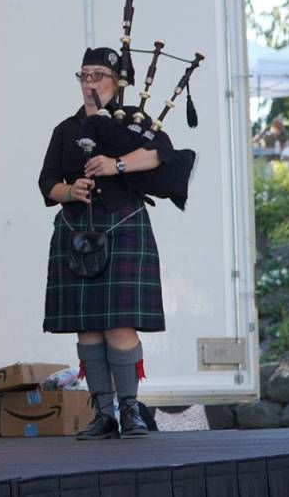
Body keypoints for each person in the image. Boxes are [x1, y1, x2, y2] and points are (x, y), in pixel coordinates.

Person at [38, 47, 193, 440]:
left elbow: (162, 155)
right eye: (84, 75)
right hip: (77, 232)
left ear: (116, 82)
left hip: (124, 225)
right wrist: (71, 191)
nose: (90, 83)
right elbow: (47, 184)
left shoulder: (135, 122)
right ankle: (103, 414)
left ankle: (131, 411)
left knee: (120, 328)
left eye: (98, 76)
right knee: (87, 329)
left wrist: (115, 165)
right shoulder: (66, 130)